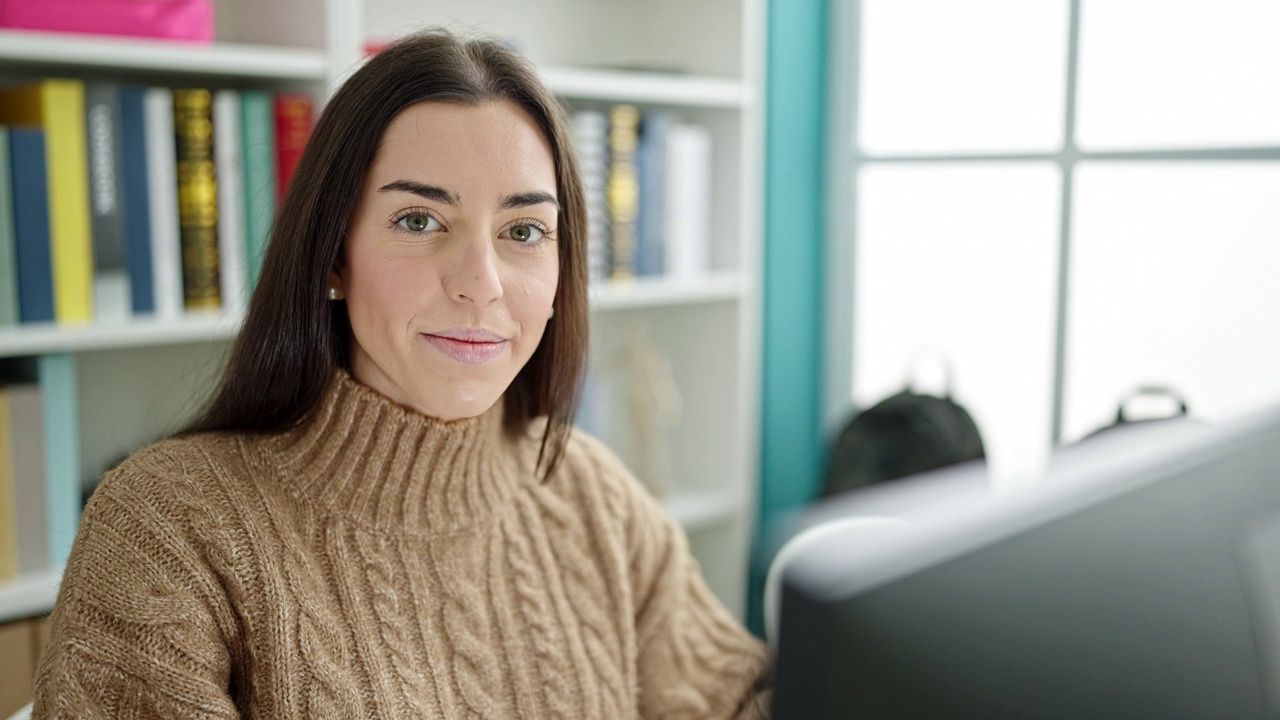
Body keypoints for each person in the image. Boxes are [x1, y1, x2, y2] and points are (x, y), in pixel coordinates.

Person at [32, 30, 771, 719]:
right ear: (332, 256)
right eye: (419, 220)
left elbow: (748, 697)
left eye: (523, 231)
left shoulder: (591, 494)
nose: (480, 283)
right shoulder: (170, 527)